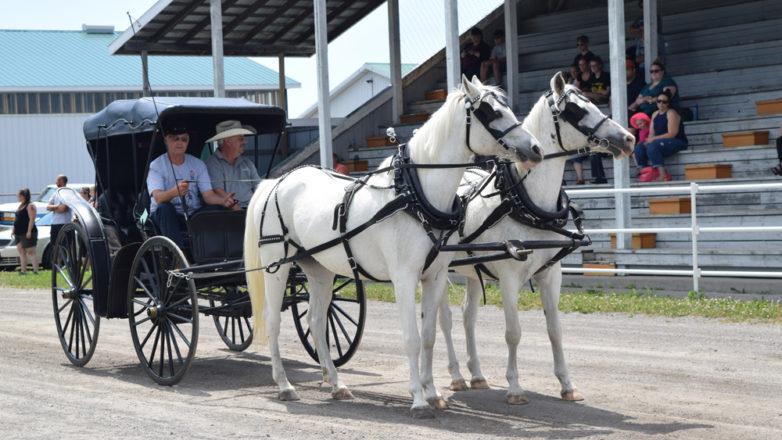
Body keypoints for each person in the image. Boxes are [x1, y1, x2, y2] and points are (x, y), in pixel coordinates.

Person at [147, 125, 238, 247]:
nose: (180, 142)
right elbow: (158, 198)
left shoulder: (197, 164)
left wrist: (223, 201)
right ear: (166, 140)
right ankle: (178, 256)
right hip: (167, 216)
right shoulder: (156, 165)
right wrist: (175, 192)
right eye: (175, 138)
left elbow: (208, 195)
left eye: (184, 139)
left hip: (192, 214)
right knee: (165, 208)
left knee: (217, 209)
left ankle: (215, 254)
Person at [205, 120, 262, 208]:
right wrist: (237, 209)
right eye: (241, 139)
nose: (245, 142)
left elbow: (259, 187)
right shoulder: (212, 163)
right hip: (226, 213)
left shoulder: (247, 163)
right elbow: (219, 191)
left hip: (251, 208)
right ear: (228, 142)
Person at [634, 90, 688, 182]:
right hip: (659, 142)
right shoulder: (655, 114)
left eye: (664, 101)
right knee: (639, 146)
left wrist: (653, 140)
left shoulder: (671, 113)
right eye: (659, 101)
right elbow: (651, 133)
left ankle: (663, 175)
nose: (661, 103)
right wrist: (647, 140)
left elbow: (672, 133)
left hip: (677, 141)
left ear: (668, 103)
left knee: (653, 145)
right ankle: (646, 172)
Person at [12, 188, 38, 274]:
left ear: (23, 196)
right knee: (21, 251)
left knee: (31, 252)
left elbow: (32, 219)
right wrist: (13, 229)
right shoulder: (20, 205)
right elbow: (17, 219)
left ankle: (35, 271)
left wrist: (29, 231)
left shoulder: (30, 205)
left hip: (27, 232)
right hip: (18, 233)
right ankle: (23, 271)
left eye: (19, 195)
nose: (17, 197)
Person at [47, 174, 71, 242]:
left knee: (65, 246)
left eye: (57, 180)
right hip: (54, 224)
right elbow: (48, 207)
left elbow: (63, 209)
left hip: (64, 224)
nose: (55, 182)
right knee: (54, 245)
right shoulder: (55, 193)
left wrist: (53, 207)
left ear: (61, 181)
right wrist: (58, 206)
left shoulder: (68, 193)